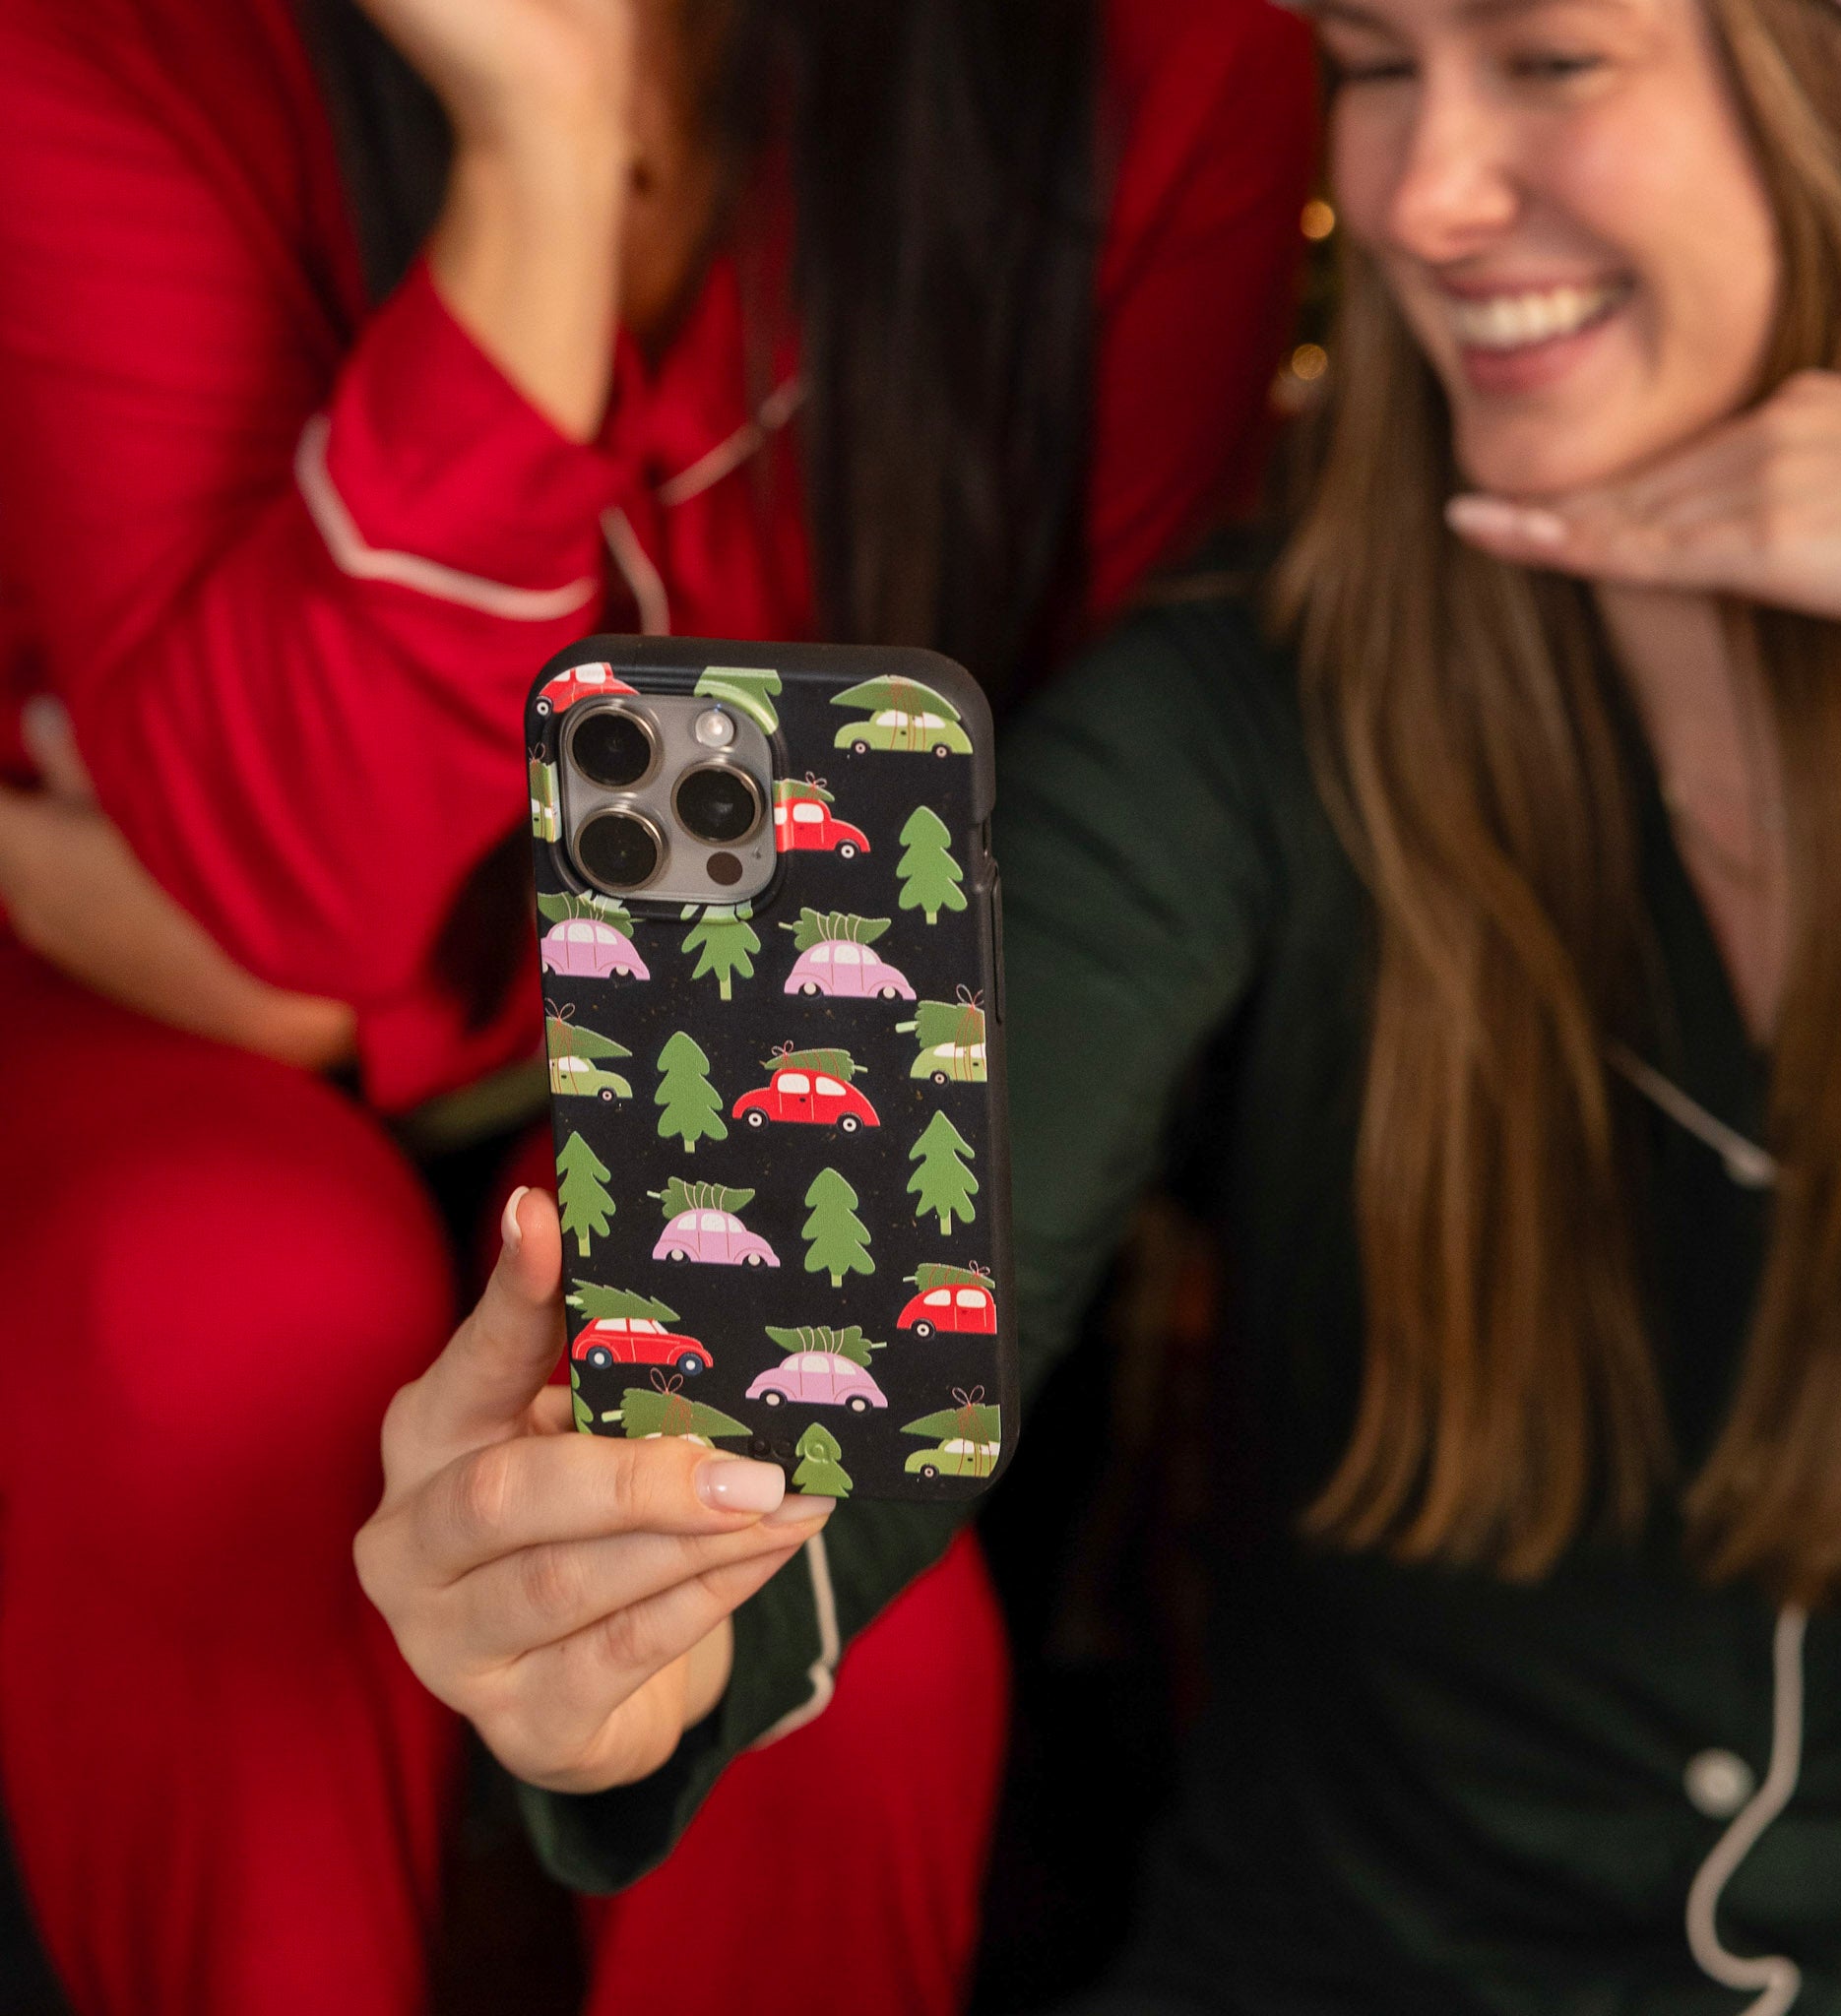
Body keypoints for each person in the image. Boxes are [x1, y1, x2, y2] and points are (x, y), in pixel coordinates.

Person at [359, 0, 1841, 2003]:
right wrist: (635, 1637)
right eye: (1377, 65)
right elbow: (882, 1337)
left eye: (1550, 62)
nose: (1419, 192)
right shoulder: (1238, 717)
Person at [0, 1, 1316, 2011]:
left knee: (807, 1597)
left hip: (787, 981)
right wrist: (544, 143)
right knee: (210, 1328)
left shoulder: (1165, 60)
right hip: (165, 1020)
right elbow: (305, 874)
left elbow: (1081, 829)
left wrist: (362, 991)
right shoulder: (108, 49)